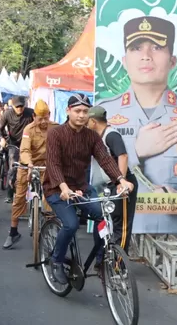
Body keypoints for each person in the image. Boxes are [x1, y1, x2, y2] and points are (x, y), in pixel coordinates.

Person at [99, 16, 177, 233]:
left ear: (172, 60)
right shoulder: (104, 113)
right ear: (125, 59)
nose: (146, 56)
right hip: (116, 238)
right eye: (136, 48)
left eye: (157, 47)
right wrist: (135, 152)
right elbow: (88, 177)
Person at [43, 94, 134, 285]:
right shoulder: (55, 134)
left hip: (82, 188)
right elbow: (53, 164)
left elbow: (105, 158)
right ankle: (56, 260)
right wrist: (63, 187)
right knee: (71, 224)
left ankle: (101, 260)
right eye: (77, 111)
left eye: (85, 111)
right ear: (68, 111)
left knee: (103, 219)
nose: (81, 115)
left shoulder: (91, 136)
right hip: (57, 189)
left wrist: (120, 179)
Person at [3, 99, 57, 249]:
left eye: (46, 118)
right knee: (19, 196)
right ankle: (13, 231)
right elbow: (25, 150)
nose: (43, 121)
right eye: (40, 118)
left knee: (52, 197)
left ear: (49, 115)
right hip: (28, 165)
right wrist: (29, 164)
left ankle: (51, 228)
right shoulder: (28, 129)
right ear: (34, 116)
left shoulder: (56, 128)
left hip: (47, 168)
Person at [87, 105, 139, 255]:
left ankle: (120, 262)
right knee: (108, 220)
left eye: (87, 121)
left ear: (93, 121)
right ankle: (105, 259)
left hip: (123, 183)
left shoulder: (111, 135)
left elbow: (123, 156)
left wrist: (120, 182)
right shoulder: (98, 137)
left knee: (121, 226)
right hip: (108, 185)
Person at [0, 95, 34, 202]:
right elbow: (0, 128)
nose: (20, 109)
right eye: (17, 107)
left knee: (32, 167)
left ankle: (32, 191)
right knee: (13, 167)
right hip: (13, 143)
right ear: (12, 106)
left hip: (28, 143)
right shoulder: (7, 114)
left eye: (21, 106)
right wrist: (3, 139)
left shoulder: (30, 113)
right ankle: (9, 194)